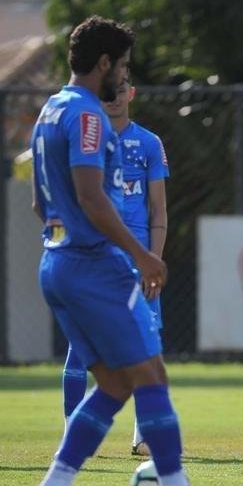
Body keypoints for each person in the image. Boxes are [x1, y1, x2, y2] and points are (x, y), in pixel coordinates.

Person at [28, 16, 233, 486]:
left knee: (117, 383)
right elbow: (93, 198)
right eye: (121, 64)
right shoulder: (89, 116)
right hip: (93, 265)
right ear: (104, 65)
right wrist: (141, 255)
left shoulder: (50, 110)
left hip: (56, 261)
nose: (124, 74)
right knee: (151, 373)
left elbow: (39, 202)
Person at [60, 68, 170, 457]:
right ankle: (74, 434)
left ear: (132, 93)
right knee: (80, 347)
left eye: (121, 90)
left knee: (148, 347)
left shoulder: (149, 143)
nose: (114, 97)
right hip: (97, 258)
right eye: (109, 90)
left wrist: (152, 259)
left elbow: (158, 211)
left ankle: (143, 436)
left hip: (139, 263)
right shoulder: (88, 139)